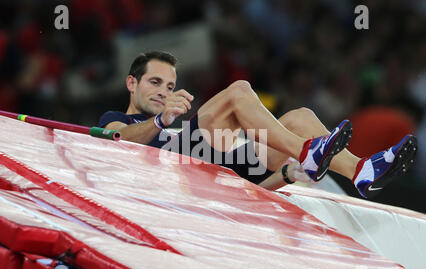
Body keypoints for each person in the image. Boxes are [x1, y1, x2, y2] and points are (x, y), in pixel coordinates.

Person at [98, 51, 417, 198]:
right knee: (238, 90)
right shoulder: (117, 119)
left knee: (301, 117)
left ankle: (360, 172)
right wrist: (160, 119)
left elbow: (251, 192)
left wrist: (287, 175)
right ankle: (308, 151)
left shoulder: (171, 126)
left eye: (169, 87)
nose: (163, 93)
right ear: (131, 83)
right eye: (155, 83)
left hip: (225, 174)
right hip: (182, 171)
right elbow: (118, 138)